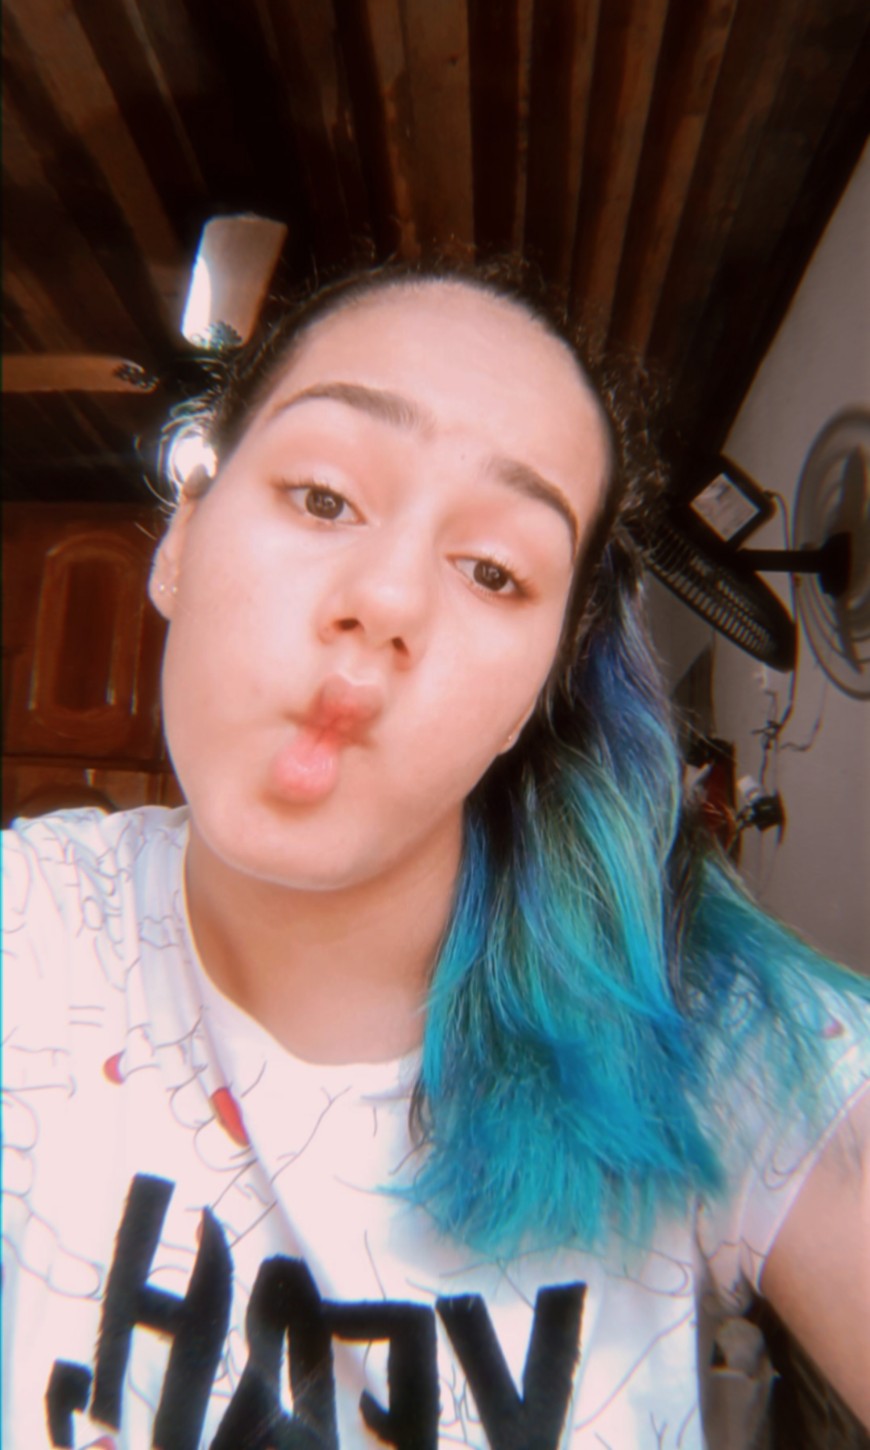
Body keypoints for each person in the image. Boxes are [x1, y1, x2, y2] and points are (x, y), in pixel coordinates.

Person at [3, 261, 868, 1449]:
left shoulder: (704, 1023)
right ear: (181, 540)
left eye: (495, 571)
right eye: (322, 497)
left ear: (530, 698)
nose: (387, 598)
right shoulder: (32, 930)